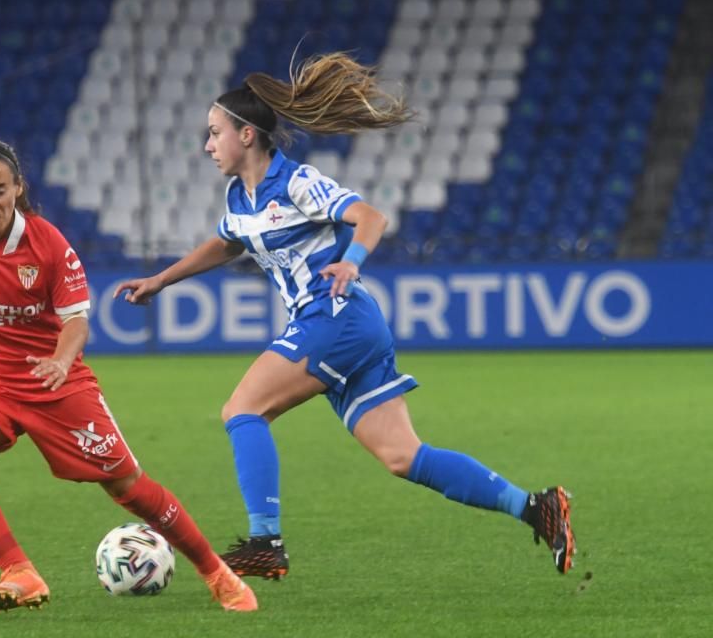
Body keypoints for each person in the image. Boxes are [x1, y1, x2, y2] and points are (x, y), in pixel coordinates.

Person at [114, 53, 576, 579]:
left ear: (246, 135)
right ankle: (536, 508)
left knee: (242, 411)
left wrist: (350, 263)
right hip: (347, 327)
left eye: (214, 132)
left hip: (333, 317)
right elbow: (225, 244)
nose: (207, 144)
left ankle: (265, 540)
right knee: (405, 457)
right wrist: (160, 280)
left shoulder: (296, 182)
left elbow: (369, 218)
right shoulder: (239, 196)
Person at [0, 139, 257, 612]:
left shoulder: (47, 243)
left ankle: (216, 572)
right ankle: (19, 571)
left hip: (57, 386)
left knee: (128, 486)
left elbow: (77, 320)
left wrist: (59, 359)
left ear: (17, 188)